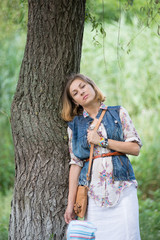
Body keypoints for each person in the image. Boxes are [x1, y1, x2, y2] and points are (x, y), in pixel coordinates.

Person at [61, 73, 142, 240]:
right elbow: (75, 164)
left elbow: (135, 148)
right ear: (75, 102)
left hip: (122, 188)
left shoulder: (118, 112)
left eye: (82, 86)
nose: (81, 92)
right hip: (92, 195)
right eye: (75, 93)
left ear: (92, 86)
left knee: (129, 235)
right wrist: (70, 205)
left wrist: (102, 141)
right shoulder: (74, 126)